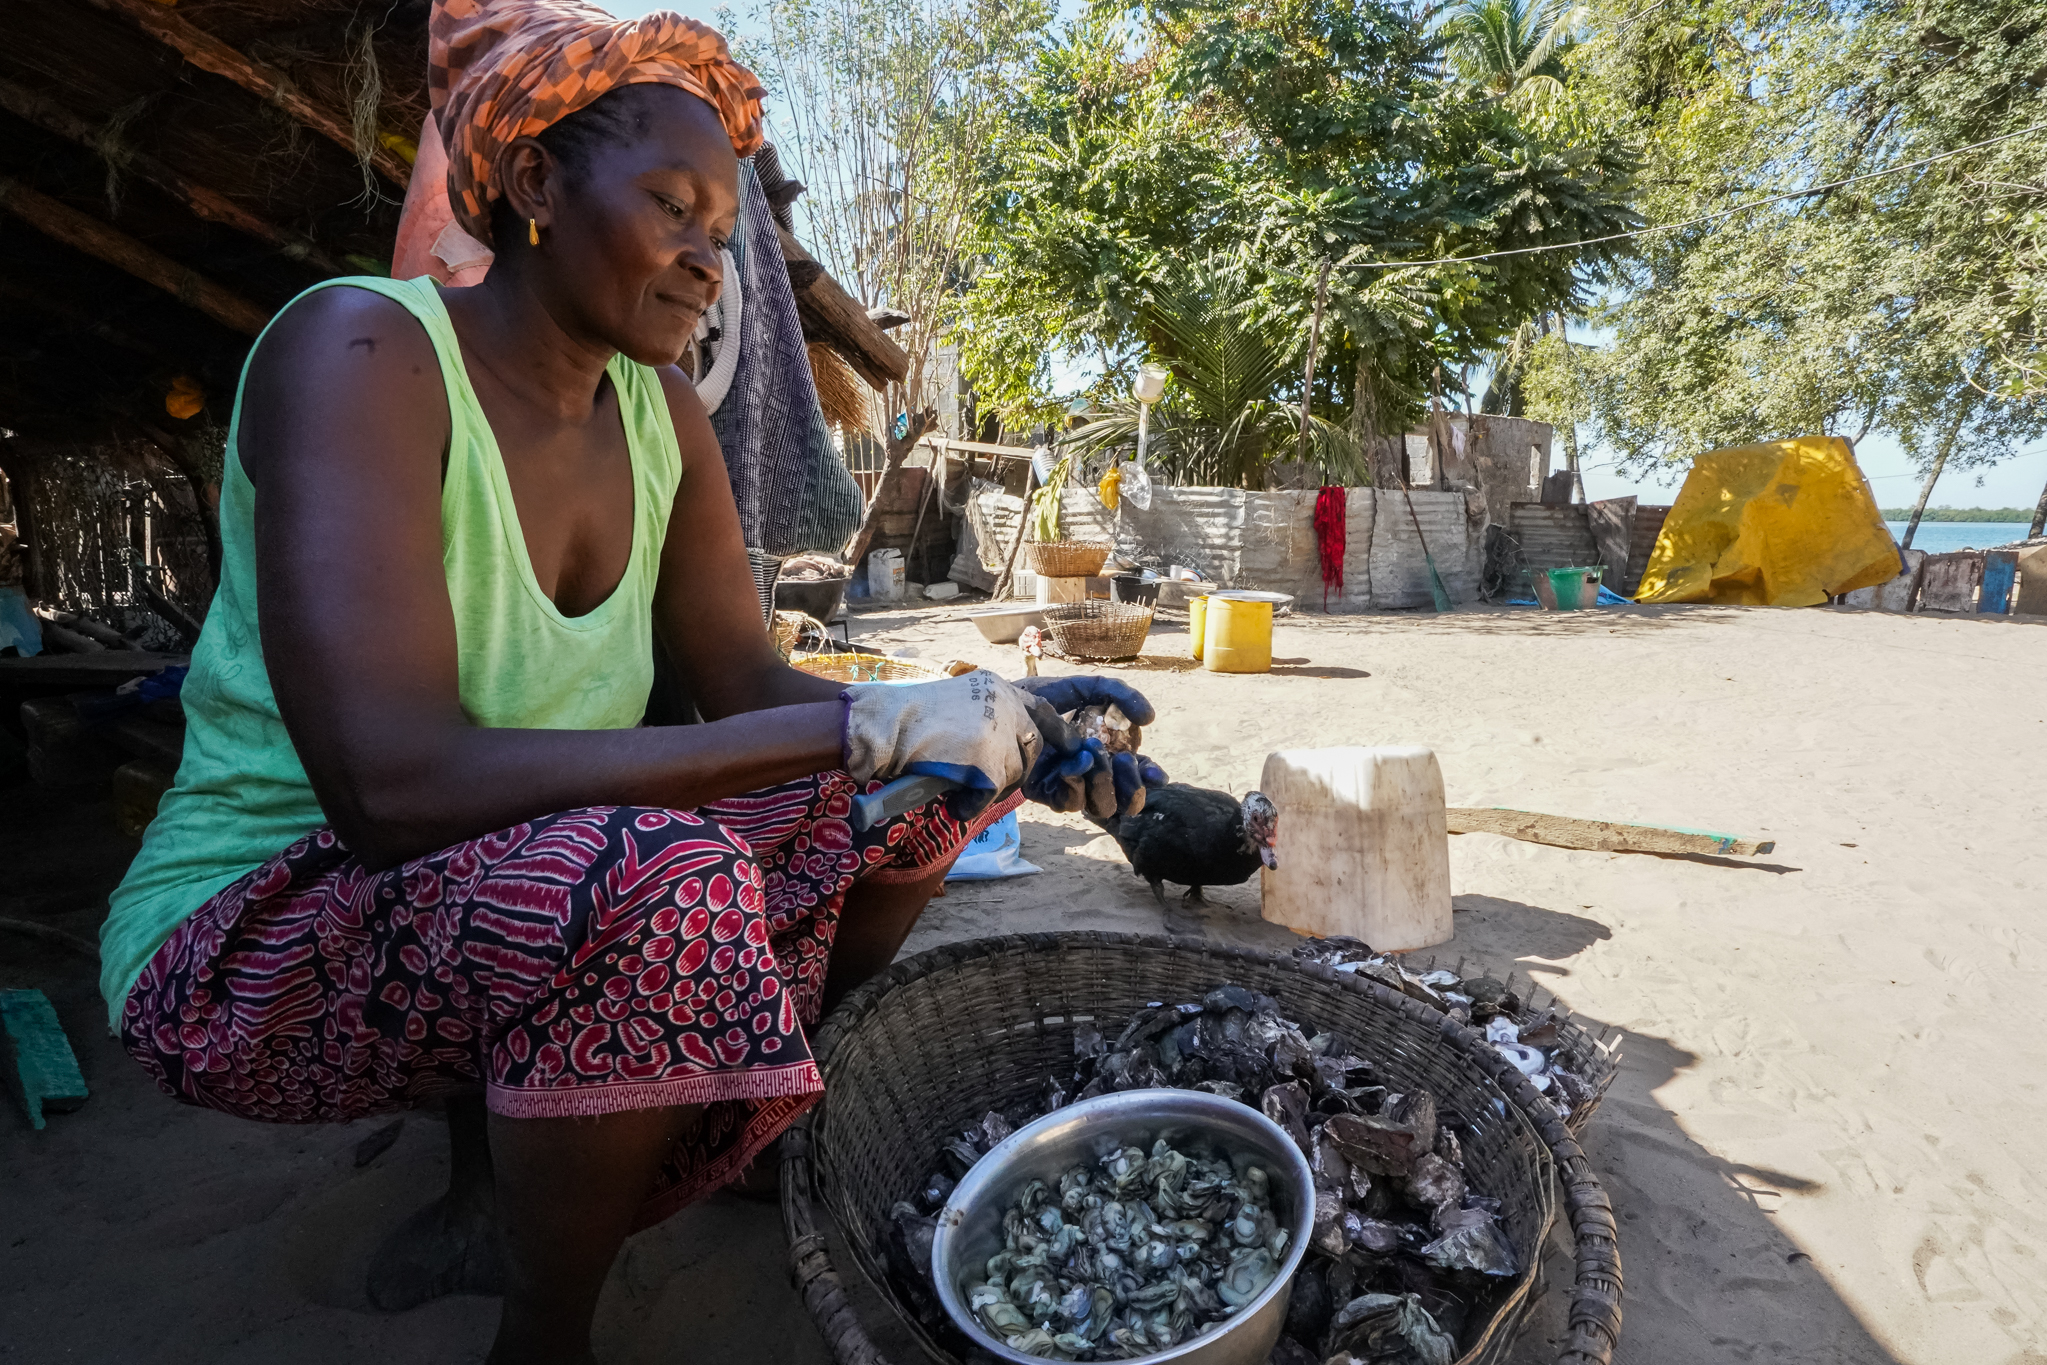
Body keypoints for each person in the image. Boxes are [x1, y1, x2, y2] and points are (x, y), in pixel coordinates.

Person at [99, 4, 1160, 1361]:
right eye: (672, 207)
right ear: (535, 182)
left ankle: (748, 1128)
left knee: (924, 797)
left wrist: (994, 720)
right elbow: (391, 788)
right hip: (257, 932)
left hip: (517, 877)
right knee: (663, 873)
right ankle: (544, 1338)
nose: (709, 259)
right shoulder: (359, 354)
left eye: (723, 229)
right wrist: (863, 729)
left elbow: (743, 680)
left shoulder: (658, 414)